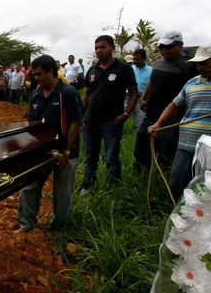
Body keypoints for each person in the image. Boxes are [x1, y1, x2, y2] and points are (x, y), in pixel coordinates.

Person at [15, 55, 82, 233]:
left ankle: (59, 227)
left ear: (51, 72)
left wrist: (66, 152)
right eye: (34, 75)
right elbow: (32, 124)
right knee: (28, 186)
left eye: (39, 74)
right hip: (40, 151)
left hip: (64, 151)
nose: (36, 78)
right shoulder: (36, 93)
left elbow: (76, 123)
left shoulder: (67, 93)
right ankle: (27, 225)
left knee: (62, 192)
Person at [148, 44, 211, 202]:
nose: (199, 67)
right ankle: (179, 218)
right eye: (198, 63)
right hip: (186, 144)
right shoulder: (191, 83)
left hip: (209, 149)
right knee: (177, 184)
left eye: (204, 63)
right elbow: (174, 105)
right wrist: (158, 124)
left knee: (206, 189)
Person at [134, 31, 198, 171]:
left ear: (180, 45)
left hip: (172, 117)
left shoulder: (188, 65)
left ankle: (163, 178)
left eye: (168, 47)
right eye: (161, 46)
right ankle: (142, 174)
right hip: (150, 113)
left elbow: (193, 89)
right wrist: (144, 98)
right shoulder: (157, 62)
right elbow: (152, 80)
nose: (164, 50)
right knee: (142, 145)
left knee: (166, 149)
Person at [82, 35, 137, 190]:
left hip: (112, 121)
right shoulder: (93, 70)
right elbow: (87, 94)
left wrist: (126, 114)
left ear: (112, 48)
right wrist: (80, 115)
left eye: (102, 47)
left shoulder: (124, 68)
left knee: (111, 158)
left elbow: (133, 92)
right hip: (91, 121)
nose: (99, 50)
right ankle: (87, 186)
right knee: (89, 157)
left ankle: (111, 189)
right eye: (96, 48)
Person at [130, 49, 152, 135]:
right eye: (134, 59)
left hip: (140, 99)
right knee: (118, 118)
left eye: (137, 59)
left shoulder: (151, 70)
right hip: (127, 97)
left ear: (144, 58)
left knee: (139, 122)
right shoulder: (130, 69)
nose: (135, 61)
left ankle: (134, 139)